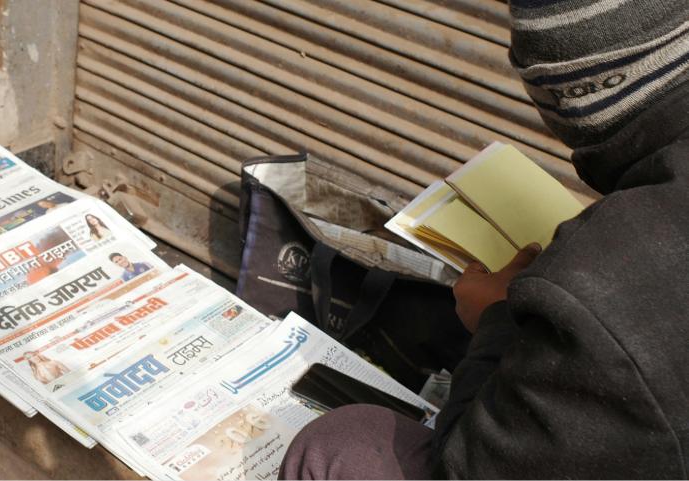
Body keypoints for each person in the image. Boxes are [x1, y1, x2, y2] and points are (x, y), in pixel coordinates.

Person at [279, 1, 689, 479]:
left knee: (341, 445)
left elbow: (476, 468)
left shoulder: (597, 290)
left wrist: (497, 320)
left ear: (570, 106)